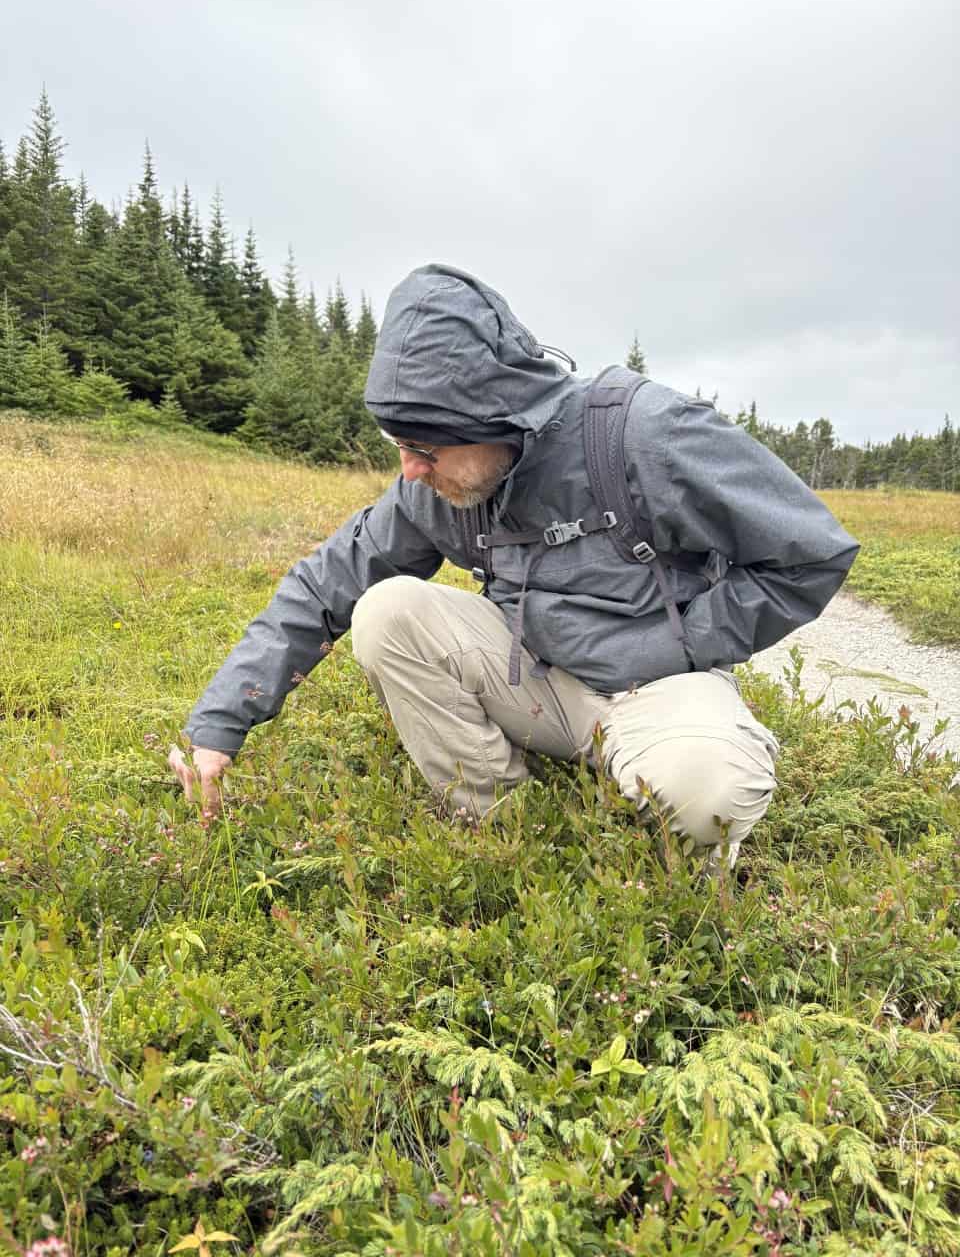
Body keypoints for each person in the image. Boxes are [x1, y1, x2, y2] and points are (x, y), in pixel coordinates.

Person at [169, 264, 859, 868]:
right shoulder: (437, 488)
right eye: (400, 443)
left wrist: (671, 644)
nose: (409, 468)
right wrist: (219, 725)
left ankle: (680, 824)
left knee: (708, 795)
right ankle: (504, 829)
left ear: (495, 415)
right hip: (531, 683)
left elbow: (811, 554)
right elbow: (326, 586)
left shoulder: (649, 434)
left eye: (425, 447)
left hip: (658, 690)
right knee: (387, 610)